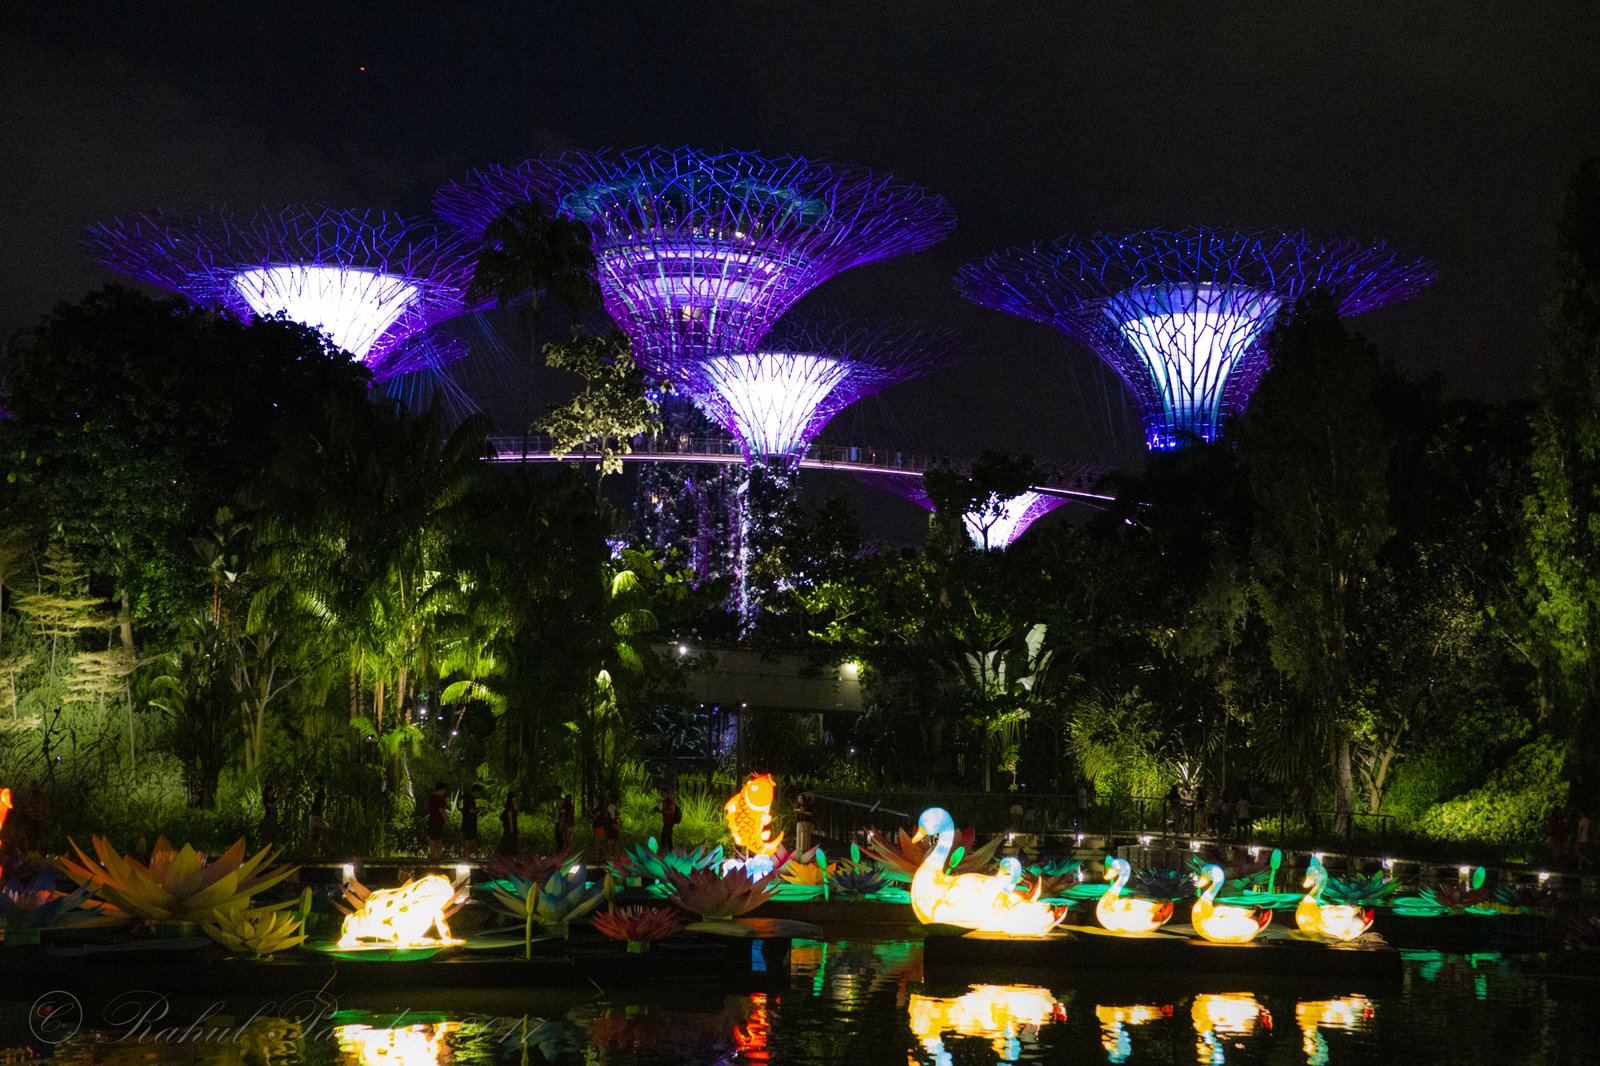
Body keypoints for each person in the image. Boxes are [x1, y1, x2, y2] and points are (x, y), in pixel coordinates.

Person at [461, 784, 484, 858]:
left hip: (466, 821)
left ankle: (466, 856)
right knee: (470, 839)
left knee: (469, 839)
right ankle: (466, 856)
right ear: (476, 792)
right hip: (469, 822)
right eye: (480, 793)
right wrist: (479, 809)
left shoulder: (467, 798)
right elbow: (471, 811)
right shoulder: (470, 798)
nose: (480, 795)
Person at [427, 782, 448, 862]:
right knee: (435, 838)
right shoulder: (438, 798)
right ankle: (434, 855)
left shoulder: (432, 797)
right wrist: (447, 821)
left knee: (437, 838)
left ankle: (435, 855)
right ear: (442, 789)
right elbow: (442, 810)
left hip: (434, 820)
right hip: (437, 820)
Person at [308, 775, 327, 855]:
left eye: (315, 781)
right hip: (315, 815)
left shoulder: (321, 792)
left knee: (315, 834)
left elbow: (322, 805)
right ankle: (315, 851)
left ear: (318, 782)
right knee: (314, 834)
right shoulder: (319, 792)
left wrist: (321, 817)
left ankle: (315, 851)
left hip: (317, 816)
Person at [793, 790, 815, 854]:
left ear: (804, 799)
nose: (799, 800)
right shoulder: (797, 806)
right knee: (799, 837)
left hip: (805, 823)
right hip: (799, 823)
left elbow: (811, 813)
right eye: (798, 798)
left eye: (801, 798)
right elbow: (795, 810)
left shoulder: (807, 806)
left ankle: (805, 851)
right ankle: (799, 851)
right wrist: (799, 811)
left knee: (804, 838)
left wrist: (803, 812)